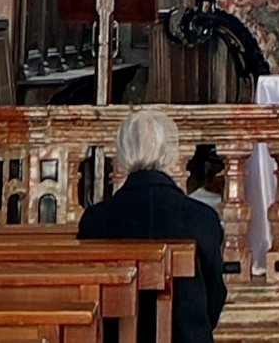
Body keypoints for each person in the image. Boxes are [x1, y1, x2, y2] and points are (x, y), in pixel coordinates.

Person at [78, 106, 226, 343]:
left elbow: (89, 297)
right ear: (169, 153)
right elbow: (214, 299)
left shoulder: (95, 220)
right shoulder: (202, 218)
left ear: (122, 154)